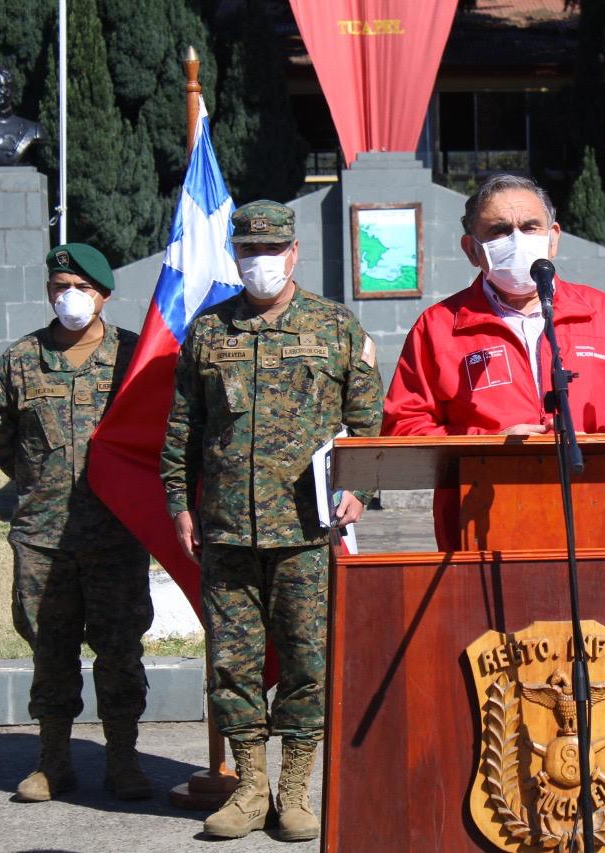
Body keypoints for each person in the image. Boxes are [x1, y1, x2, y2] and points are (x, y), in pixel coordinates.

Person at [161, 200, 382, 841]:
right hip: (226, 527)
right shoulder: (208, 333)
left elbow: (368, 420)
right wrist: (179, 502)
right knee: (232, 663)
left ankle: (294, 791)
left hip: (306, 530)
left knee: (307, 662)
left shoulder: (335, 327)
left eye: (272, 250)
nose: (260, 262)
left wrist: (361, 489)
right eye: (248, 252)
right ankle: (250, 788)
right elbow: (183, 429)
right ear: (236, 255)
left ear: (293, 253)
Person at [382, 174, 605, 546]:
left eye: (530, 226)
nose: (517, 240)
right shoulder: (438, 327)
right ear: (471, 249)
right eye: (499, 230)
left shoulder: (602, 314)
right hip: (484, 524)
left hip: (600, 514)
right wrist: (488, 446)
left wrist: (595, 448)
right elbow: (404, 427)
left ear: (554, 236)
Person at [0, 243, 153, 803]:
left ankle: (123, 762)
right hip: (43, 539)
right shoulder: (21, 360)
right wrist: (39, 481)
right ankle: (52, 763)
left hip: (117, 536)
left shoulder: (133, 359)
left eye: (79, 286)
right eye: (59, 287)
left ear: (103, 293)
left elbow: (159, 432)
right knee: (50, 652)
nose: (68, 296)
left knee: (120, 652)